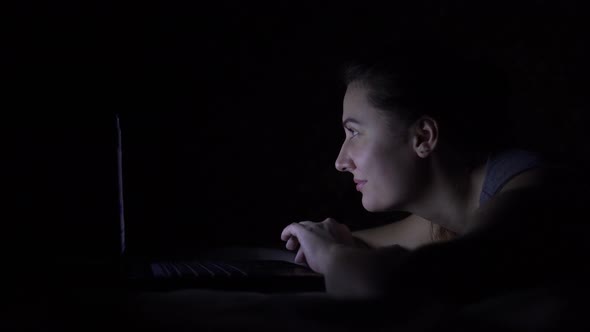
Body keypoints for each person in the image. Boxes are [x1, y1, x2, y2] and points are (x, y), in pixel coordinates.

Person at [280, 39, 587, 300]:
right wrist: (325, 240)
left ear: (423, 137)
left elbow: (381, 282)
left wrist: (330, 255)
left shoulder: (527, 194)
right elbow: (358, 244)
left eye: (355, 132)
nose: (341, 161)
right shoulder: (448, 214)